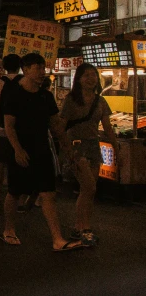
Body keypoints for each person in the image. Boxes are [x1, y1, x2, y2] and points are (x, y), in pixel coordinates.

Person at [0, 52, 83, 251]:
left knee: (48, 193)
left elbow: (56, 126)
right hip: (20, 150)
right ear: (26, 69)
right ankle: (9, 229)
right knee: (14, 193)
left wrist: (68, 150)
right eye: (37, 68)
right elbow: (9, 126)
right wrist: (18, 149)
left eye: (43, 68)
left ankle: (57, 239)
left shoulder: (46, 96)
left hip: (42, 150)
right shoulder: (14, 93)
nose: (41, 72)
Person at [58, 63, 118, 247]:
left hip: (93, 146)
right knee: (89, 187)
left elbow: (107, 128)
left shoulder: (100, 101)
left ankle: (81, 227)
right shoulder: (71, 100)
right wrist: (67, 150)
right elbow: (60, 127)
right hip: (77, 147)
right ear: (79, 79)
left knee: (87, 191)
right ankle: (84, 229)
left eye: (93, 75)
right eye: (86, 75)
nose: (91, 78)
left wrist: (117, 149)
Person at [0, 54, 22, 208]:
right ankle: (21, 199)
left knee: (1, 162)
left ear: (4, 67)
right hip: (23, 130)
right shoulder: (25, 82)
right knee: (22, 162)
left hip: (4, 129)